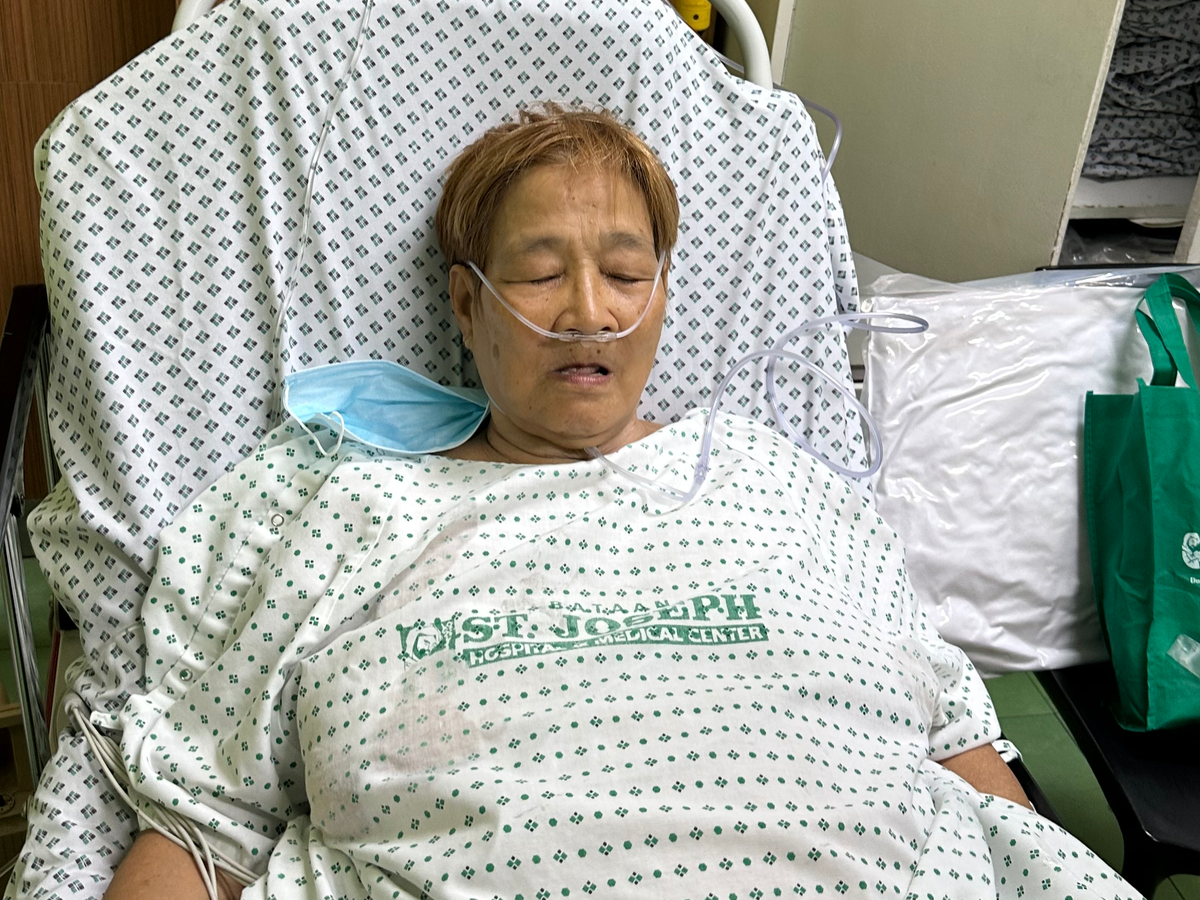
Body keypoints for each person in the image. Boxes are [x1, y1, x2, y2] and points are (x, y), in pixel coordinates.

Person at [103, 105, 1136, 900]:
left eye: (626, 273)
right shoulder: (339, 508)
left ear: (663, 295)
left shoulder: (776, 479)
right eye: (539, 275)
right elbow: (204, 822)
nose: (589, 313)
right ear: (465, 303)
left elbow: (954, 742)